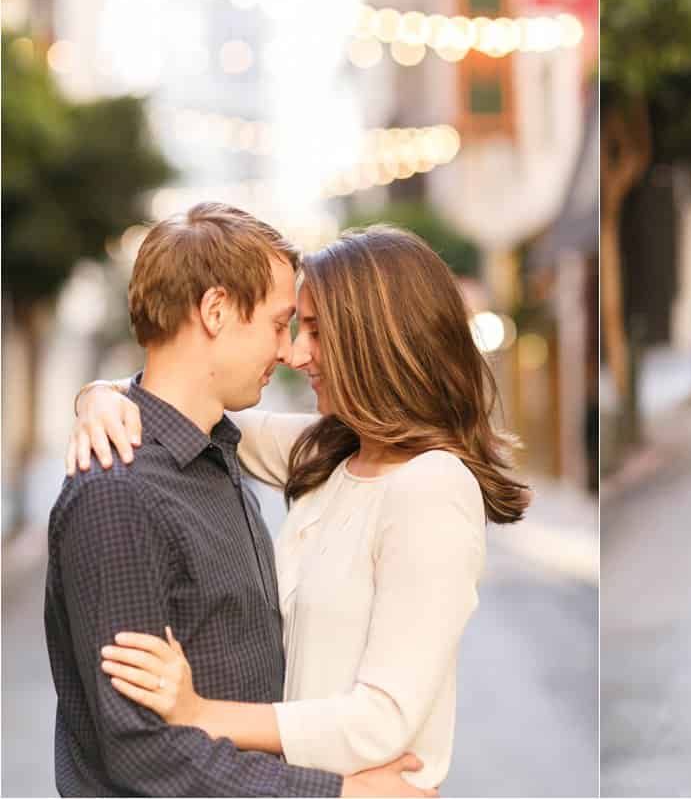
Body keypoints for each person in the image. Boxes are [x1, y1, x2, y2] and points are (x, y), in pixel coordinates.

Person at [53, 204, 526, 794]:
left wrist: (203, 714)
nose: (294, 354)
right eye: (286, 325)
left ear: (376, 339)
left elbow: (382, 718)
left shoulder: (430, 486)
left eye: (314, 331)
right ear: (216, 310)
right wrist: (97, 395)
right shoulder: (326, 452)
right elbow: (177, 404)